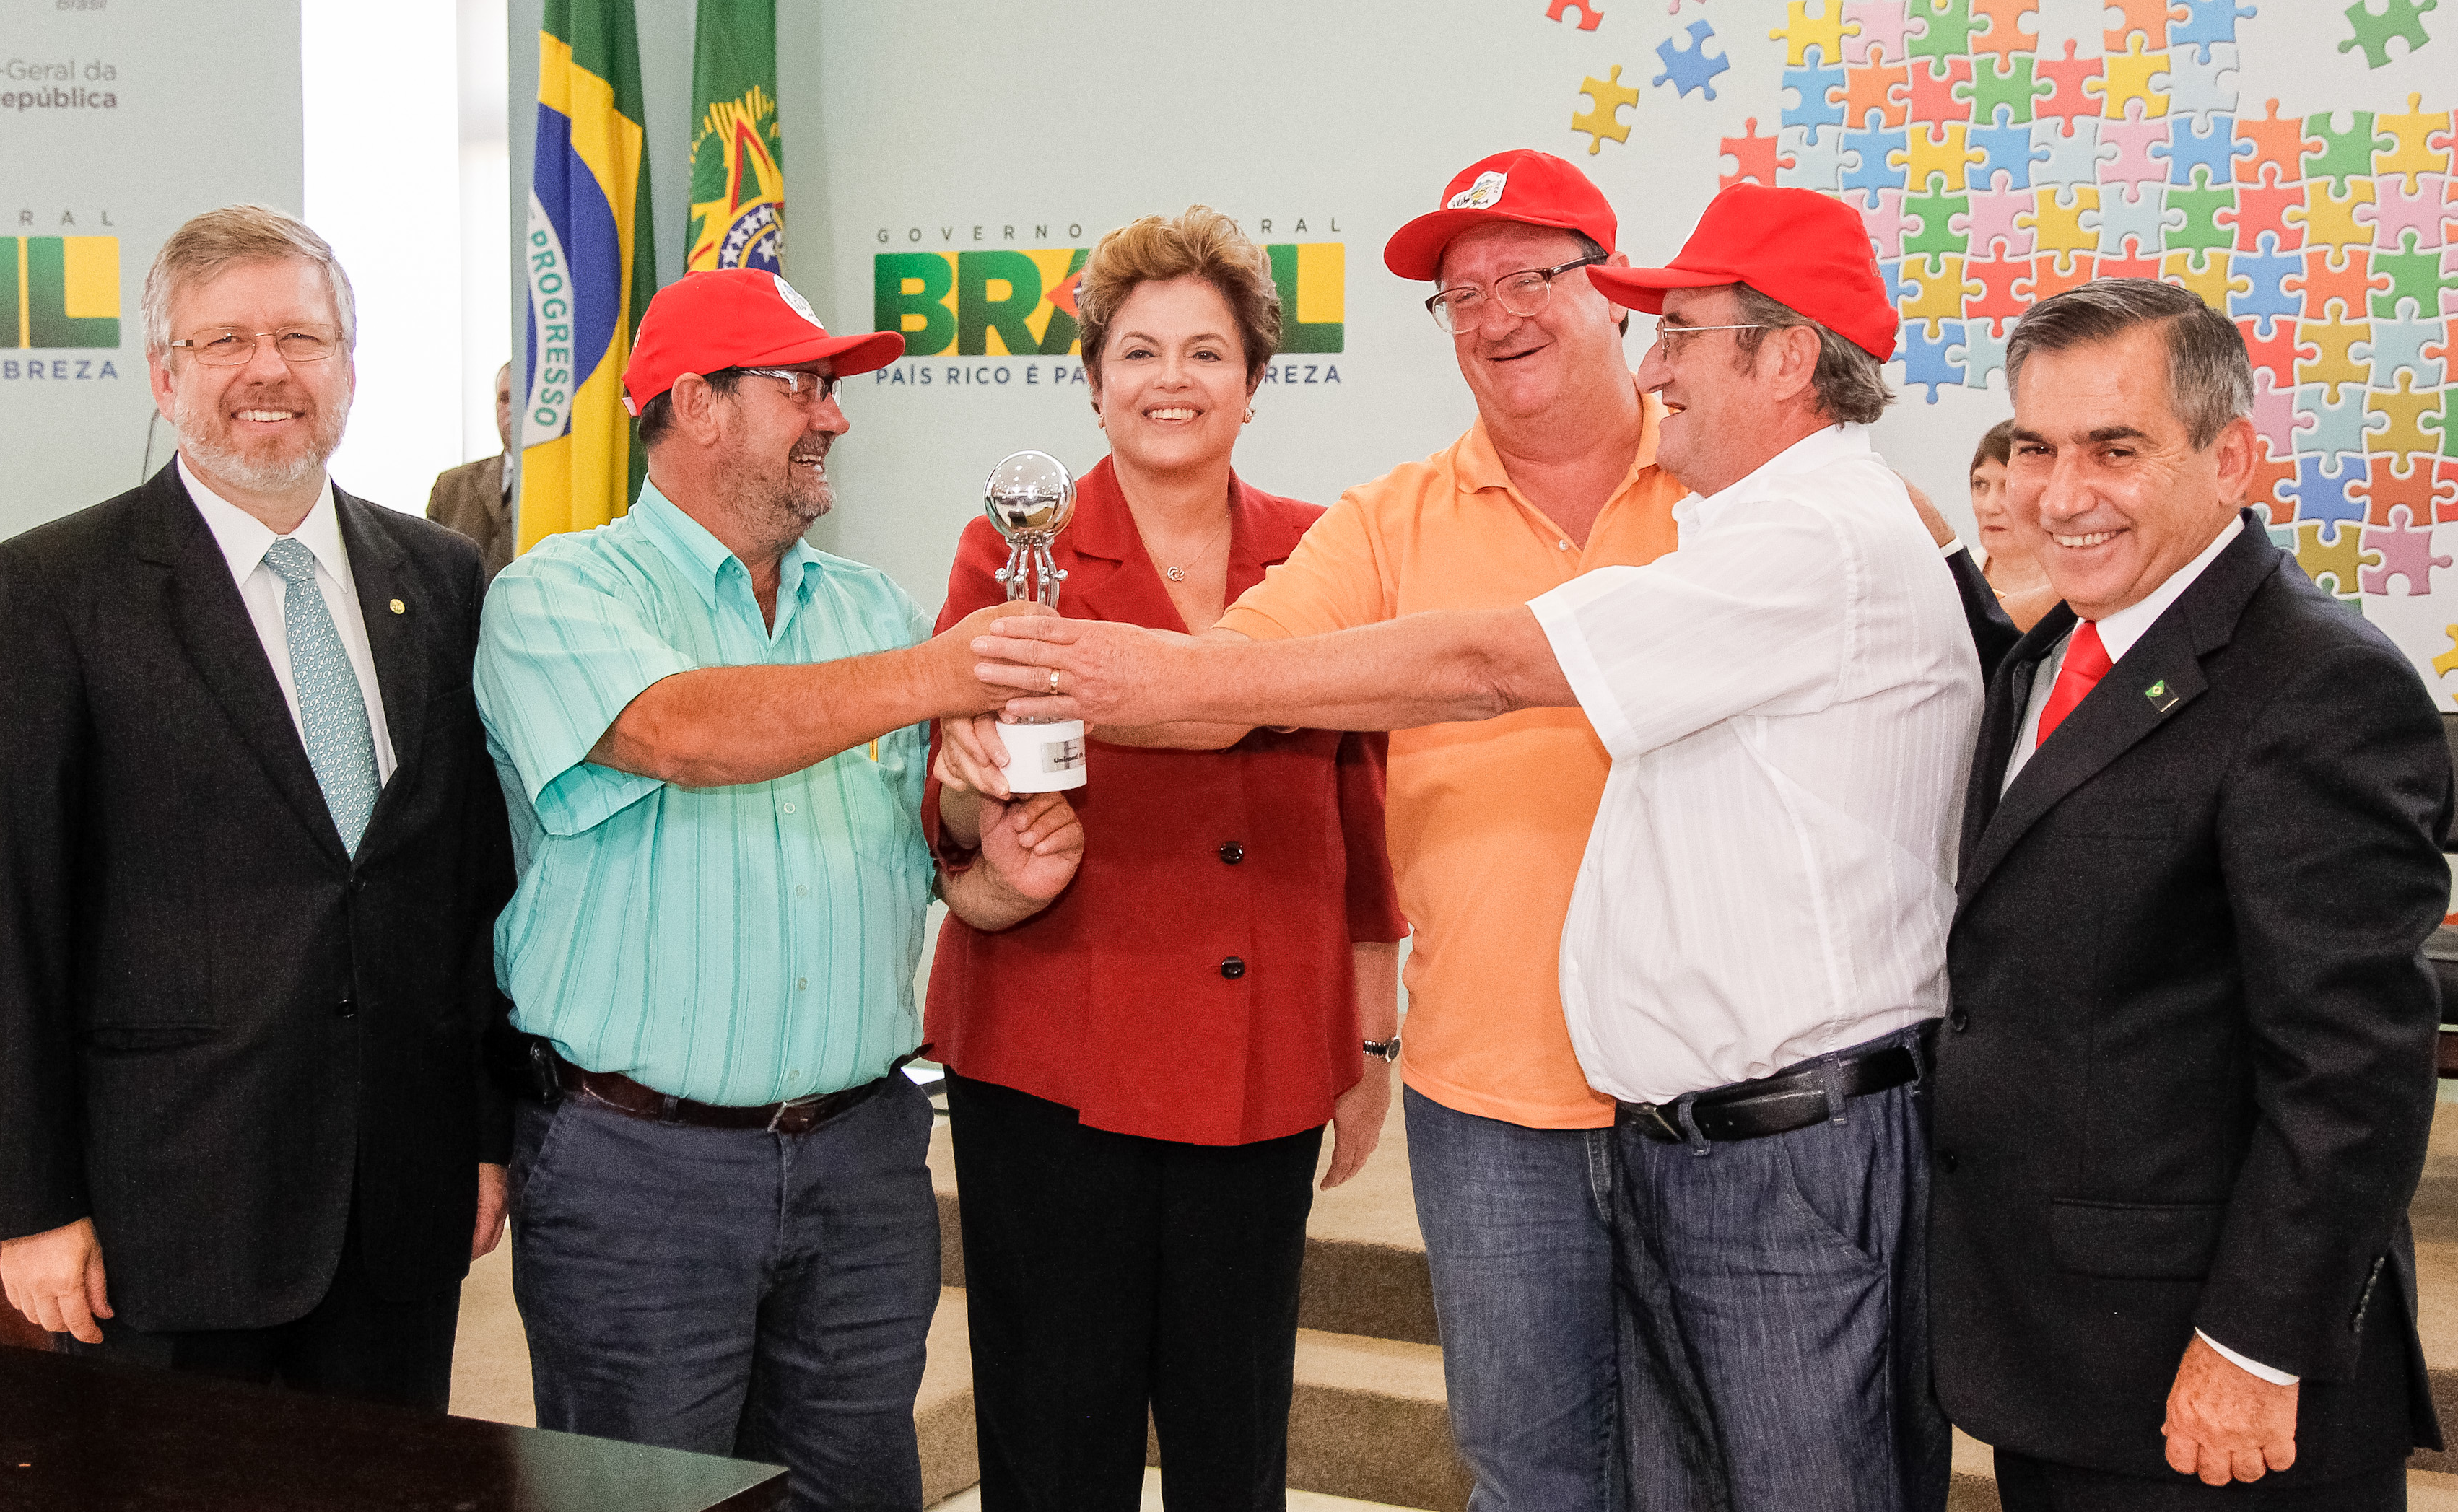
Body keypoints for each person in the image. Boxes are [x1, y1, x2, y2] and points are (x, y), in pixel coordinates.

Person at [968, 183, 1981, 1512]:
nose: (1496, 317)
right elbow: (1244, 677)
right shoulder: (1409, 514)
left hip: (1769, 1123)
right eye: (1459, 294)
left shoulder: (1762, 518)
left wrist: (1106, 674)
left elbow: (1486, 661)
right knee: (1559, 1474)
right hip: (1528, 1099)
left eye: (1547, 284)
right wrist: (1070, 696)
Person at [471, 266, 1079, 1510]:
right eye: (802, 385)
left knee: (855, 1490)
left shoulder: (871, 610)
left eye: (834, 387)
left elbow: (933, 858)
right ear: (694, 404)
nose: (835, 416)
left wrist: (994, 867)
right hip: (637, 1174)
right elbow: (686, 732)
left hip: (862, 1162)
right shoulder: (557, 593)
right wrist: (932, 674)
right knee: (642, 1495)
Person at [0, 204, 515, 1409]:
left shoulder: (444, 579)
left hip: (397, 1204)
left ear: (348, 367)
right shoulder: (50, 590)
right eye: (223, 341)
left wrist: (481, 1133)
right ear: (163, 375)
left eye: (303, 337)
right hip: (160, 1221)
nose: (269, 370)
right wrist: (32, 1204)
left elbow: (466, 885)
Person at [1930, 279, 2450, 1510]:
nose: (2063, 493)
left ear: (2232, 458)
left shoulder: (2319, 684)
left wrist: (2255, 1344)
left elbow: (2354, 1068)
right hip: (2057, 1345)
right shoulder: (2053, 653)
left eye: (2117, 448)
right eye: (2036, 449)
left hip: (2209, 1383)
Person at [923, 206, 1408, 1511]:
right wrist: (984, 818)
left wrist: (1369, 1047)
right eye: (1139, 353)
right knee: (1054, 1430)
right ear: (1092, 383)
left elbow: (1364, 817)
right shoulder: (1008, 550)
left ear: (1254, 384)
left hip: (1259, 1060)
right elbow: (948, 801)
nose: (1172, 381)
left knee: (1231, 1430)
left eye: (1206, 352)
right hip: (1050, 1052)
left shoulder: (1324, 547)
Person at [427, 361, 517, 577]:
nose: (511, 409)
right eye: (504, 399)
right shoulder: (451, 488)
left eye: (521, 397)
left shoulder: (570, 488)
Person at [1966, 419, 2056, 629]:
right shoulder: (1948, 583)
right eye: (1980, 484)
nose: (1990, 507)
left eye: (2008, 487)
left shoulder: (2087, 595)